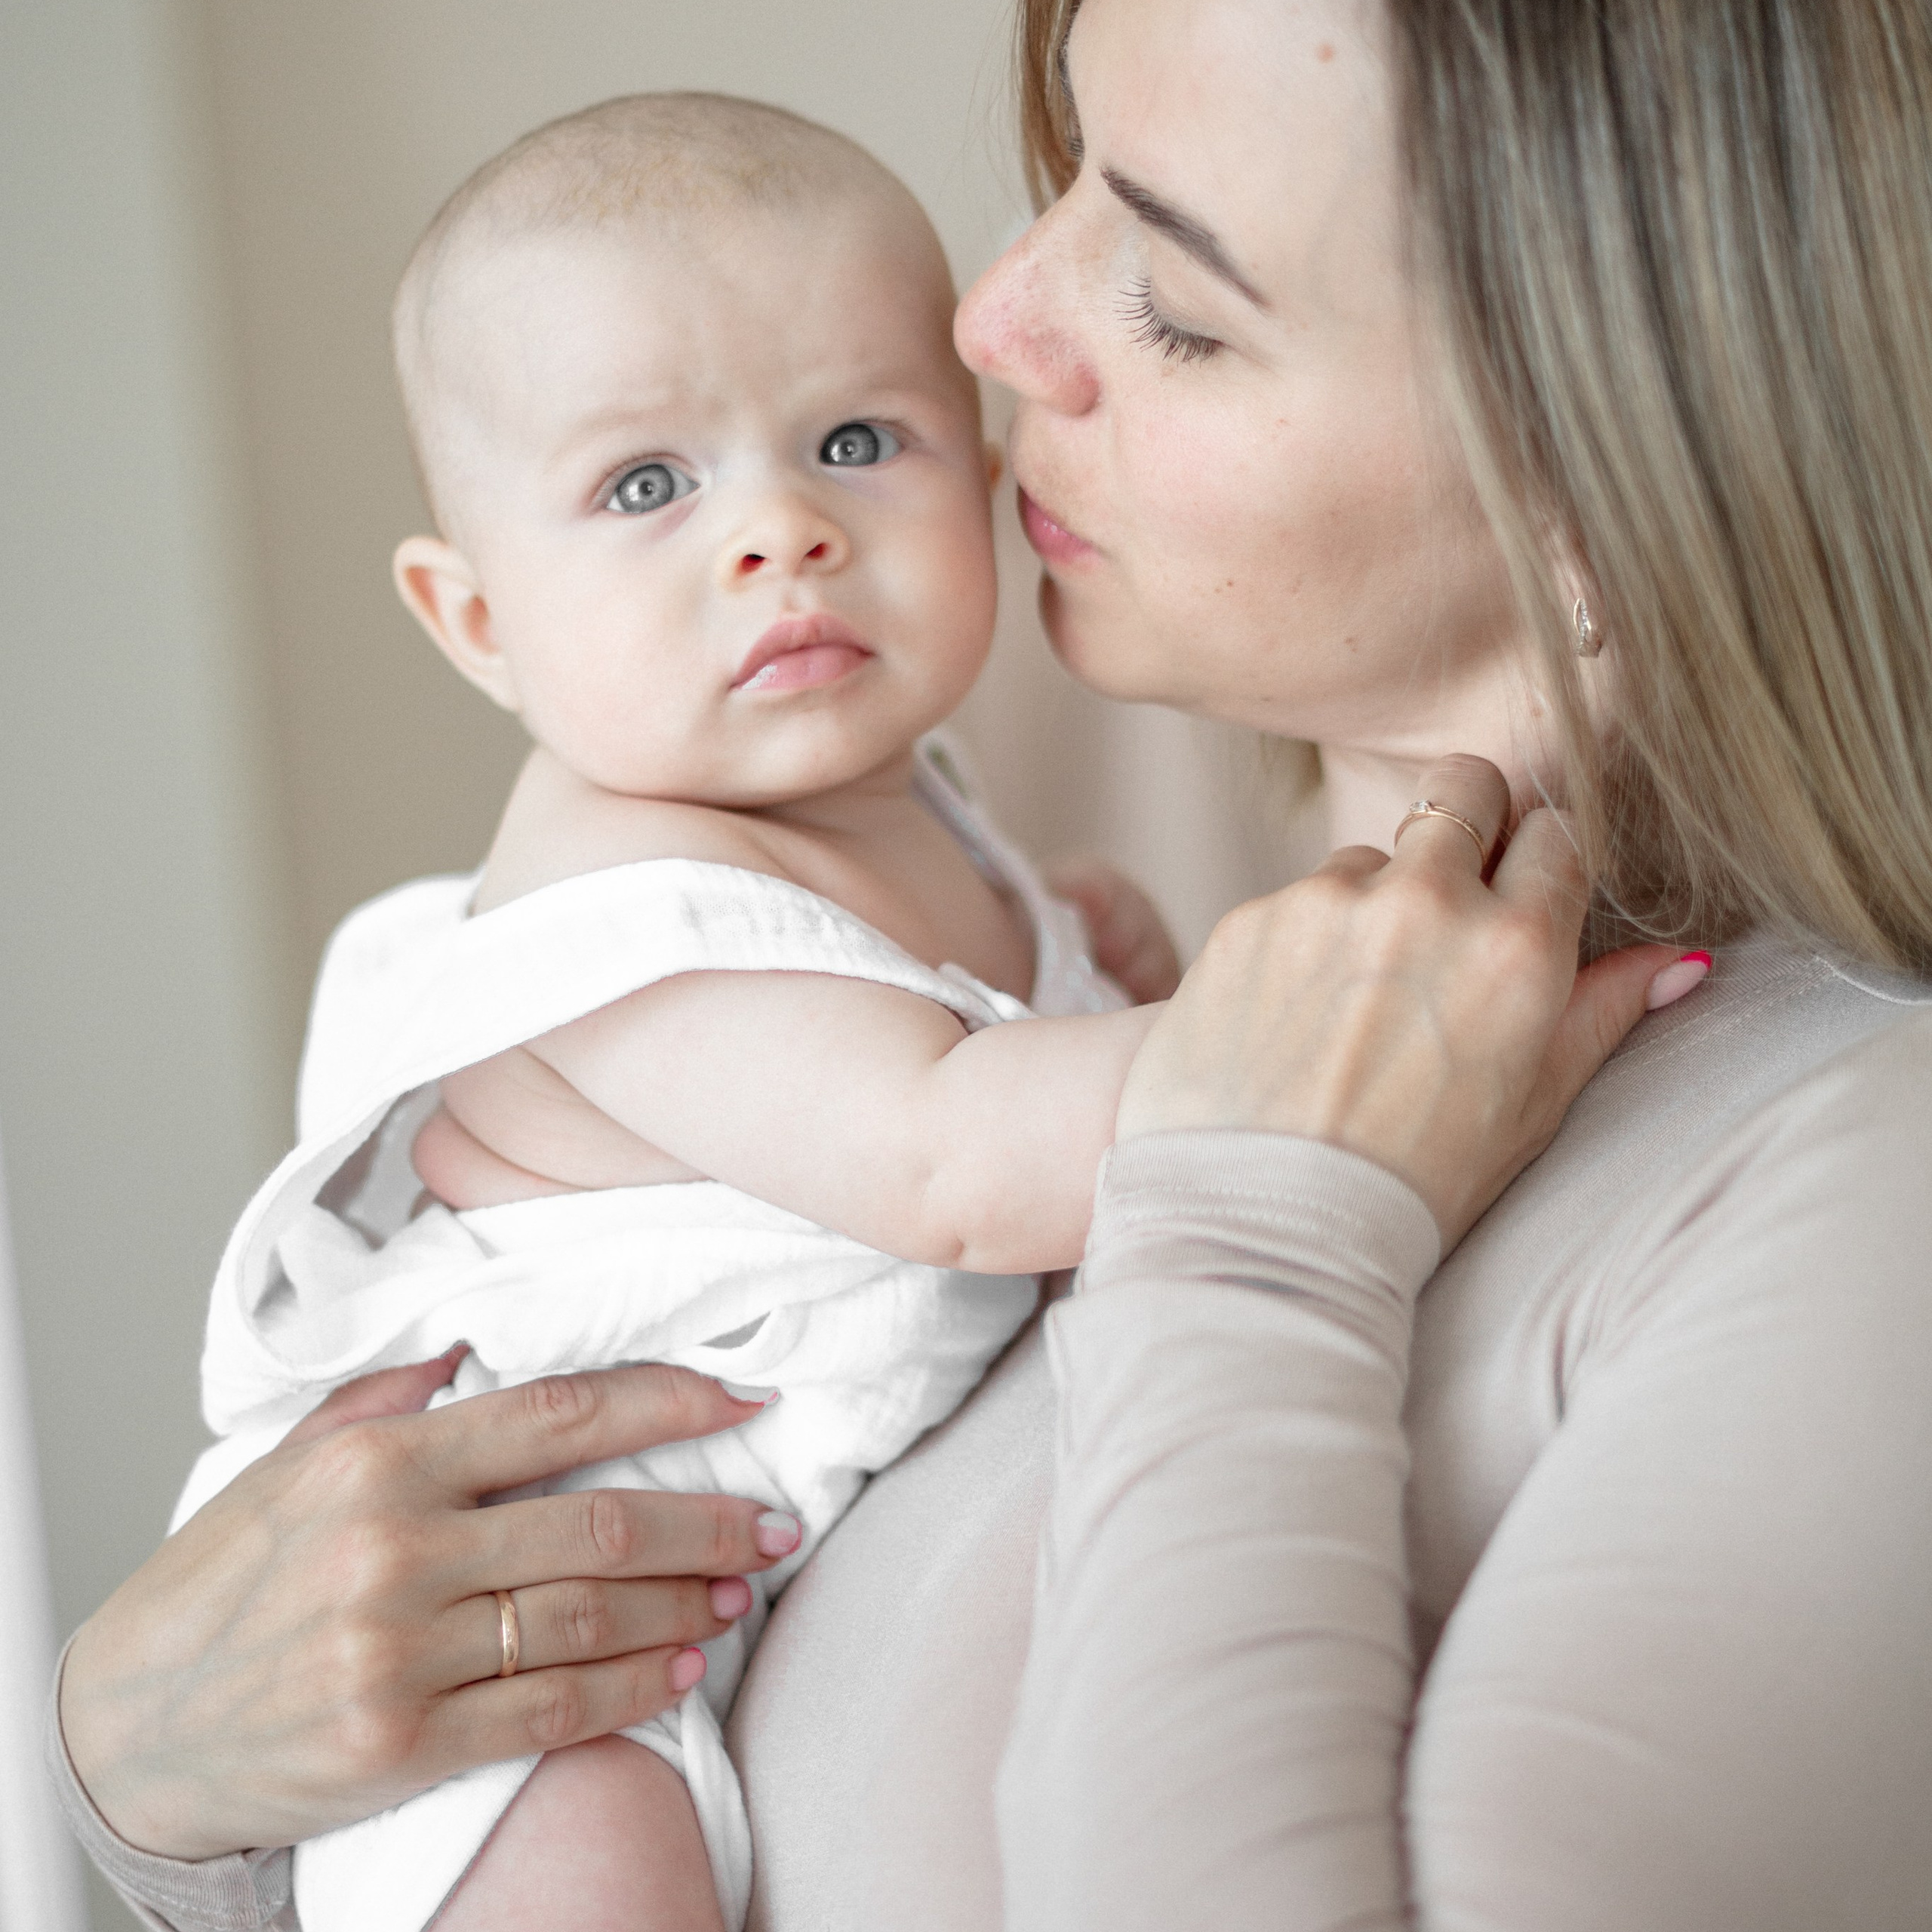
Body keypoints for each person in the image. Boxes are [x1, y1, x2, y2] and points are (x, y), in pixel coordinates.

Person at [50, 0, 1932, 1926]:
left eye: (1175, 299)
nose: (991, 319)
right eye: (1060, 181)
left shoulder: (1849, 1197)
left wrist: (1266, 1217)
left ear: (1602, 501)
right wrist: (153, 1780)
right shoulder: (1133, 957)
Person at [165, 89, 1190, 1932]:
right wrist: (1304, 1011)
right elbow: (950, 1153)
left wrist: (1074, 954)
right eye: (648, 484)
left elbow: (966, 1040)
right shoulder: (608, 898)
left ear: (978, 469)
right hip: (531, 1608)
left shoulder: (916, 805)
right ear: (476, 619)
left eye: (855, 437)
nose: (779, 531)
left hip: (747, 1525)